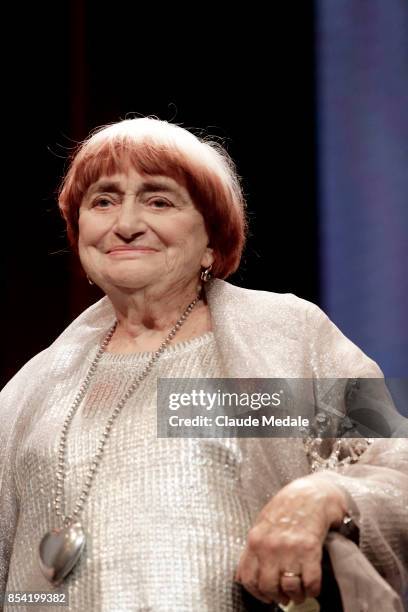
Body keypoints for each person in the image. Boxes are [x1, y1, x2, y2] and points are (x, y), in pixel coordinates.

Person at [0, 117, 407, 612]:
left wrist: (326, 494)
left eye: (159, 201)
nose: (125, 224)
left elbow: (396, 462)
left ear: (212, 240)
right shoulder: (32, 389)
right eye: (103, 201)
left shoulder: (279, 343)